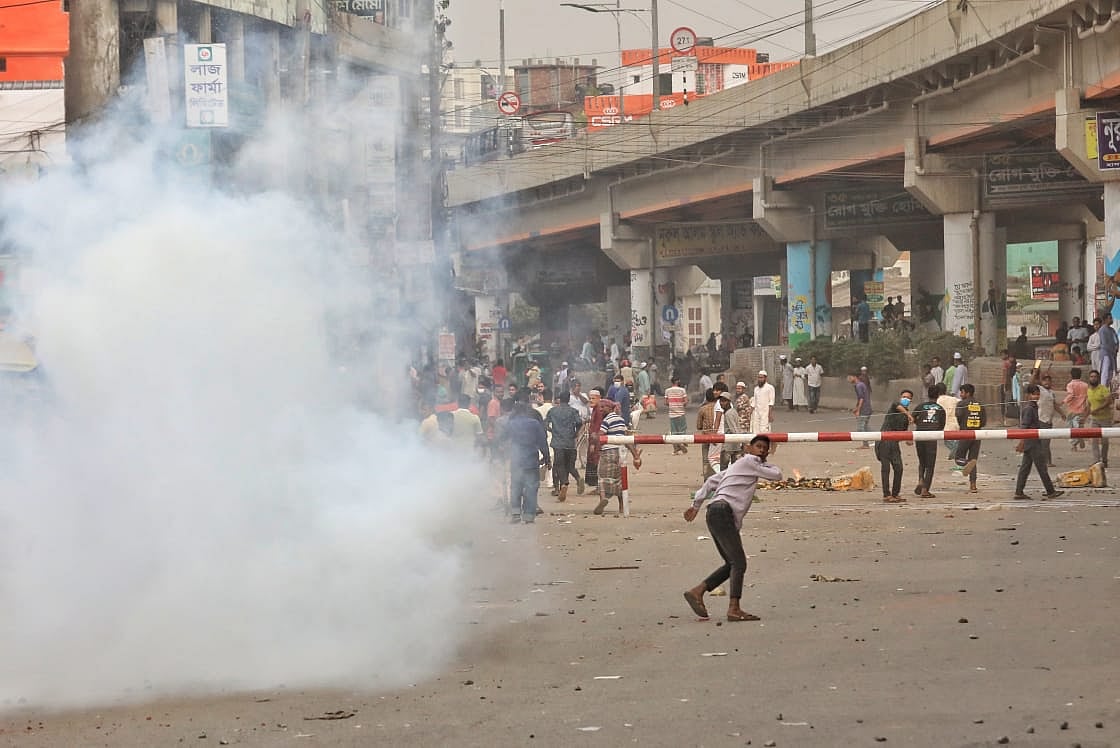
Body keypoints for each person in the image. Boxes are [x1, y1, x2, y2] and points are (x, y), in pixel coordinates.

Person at [681, 435, 781, 623]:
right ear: (748, 449)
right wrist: (765, 461)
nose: (761, 450)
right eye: (758, 447)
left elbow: (711, 481)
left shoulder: (735, 468)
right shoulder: (751, 461)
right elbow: (777, 474)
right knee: (739, 563)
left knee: (731, 563)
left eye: (764, 448)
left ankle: (698, 591)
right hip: (723, 512)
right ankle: (734, 609)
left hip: (715, 512)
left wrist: (696, 506)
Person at [1013, 384, 1064, 501]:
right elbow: (1024, 427)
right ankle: (1050, 491)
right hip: (1032, 442)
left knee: (1025, 468)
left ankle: (1019, 492)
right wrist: (1022, 442)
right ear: (1028, 395)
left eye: (1037, 394)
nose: (1036, 396)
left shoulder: (1033, 407)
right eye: (1034, 394)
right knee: (1041, 467)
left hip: (1032, 441)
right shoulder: (1029, 409)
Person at [593, 399, 642, 516]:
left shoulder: (607, 420)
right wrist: (635, 455)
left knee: (602, 477)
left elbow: (600, 435)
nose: (600, 409)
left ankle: (603, 499)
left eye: (603, 407)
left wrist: (594, 436)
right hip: (621, 453)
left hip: (608, 452)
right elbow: (626, 438)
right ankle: (621, 506)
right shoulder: (621, 420)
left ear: (610, 408)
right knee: (620, 479)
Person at [504, 401, 551, 523]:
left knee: (516, 486)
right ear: (526, 411)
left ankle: (515, 514)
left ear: (515, 411)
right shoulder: (534, 424)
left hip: (516, 461)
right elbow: (542, 441)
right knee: (531, 488)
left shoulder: (511, 424)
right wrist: (547, 458)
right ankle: (529, 516)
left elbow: (502, 440)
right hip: (531, 460)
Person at [876, 389, 913, 502]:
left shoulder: (906, 418)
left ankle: (895, 493)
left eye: (908, 398)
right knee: (886, 469)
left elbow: (902, 433)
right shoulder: (895, 407)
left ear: (911, 400)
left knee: (899, 468)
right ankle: (886, 495)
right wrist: (908, 414)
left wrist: (908, 439)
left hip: (894, 444)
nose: (905, 399)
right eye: (904, 397)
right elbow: (897, 405)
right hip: (884, 441)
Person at [546, 390, 583, 501]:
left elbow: (545, 423)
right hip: (570, 442)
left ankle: (563, 484)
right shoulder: (573, 411)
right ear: (569, 399)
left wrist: (552, 431)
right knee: (570, 466)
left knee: (558, 465)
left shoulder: (553, 411)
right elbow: (579, 423)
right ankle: (578, 478)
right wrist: (575, 433)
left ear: (559, 399)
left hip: (558, 442)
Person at [912, 385, 946, 498]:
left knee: (922, 461)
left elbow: (912, 418)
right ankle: (925, 489)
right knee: (930, 465)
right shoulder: (940, 409)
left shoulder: (920, 406)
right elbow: (942, 425)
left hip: (919, 435)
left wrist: (920, 424)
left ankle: (921, 479)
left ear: (928, 394)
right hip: (931, 437)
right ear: (938, 395)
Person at [954, 383, 986, 493]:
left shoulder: (961, 404)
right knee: (973, 459)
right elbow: (983, 421)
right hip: (977, 434)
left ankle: (966, 463)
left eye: (962, 392)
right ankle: (973, 485)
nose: (960, 394)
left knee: (958, 458)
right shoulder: (980, 404)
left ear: (967, 393)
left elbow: (958, 417)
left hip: (965, 433)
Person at [1086, 369, 1114, 468]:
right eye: (1091, 376)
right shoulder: (1089, 390)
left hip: (1105, 418)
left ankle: (1104, 460)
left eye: (1095, 377)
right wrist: (1085, 416)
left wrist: (1098, 409)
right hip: (1094, 419)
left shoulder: (1103, 389)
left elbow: (1109, 401)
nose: (1093, 378)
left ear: (1098, 378)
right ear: (1089, 378)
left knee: (1105, 441)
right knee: (1094, 440)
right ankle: (1096, 461)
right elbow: (1089, 404)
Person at [1063, 367, 1090, 452]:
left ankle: (1074, 444)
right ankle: (1080, 436)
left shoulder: (1070, 385)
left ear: (1071, 375)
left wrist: (1064, 401)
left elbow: (1071, 395)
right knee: (1079, 425)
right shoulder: (1085, 385)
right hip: (1082, 409)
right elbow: (1087, 397)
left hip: (1072, 409)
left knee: (1071, 428)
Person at [696, 387, 719, 479]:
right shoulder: (720, 408)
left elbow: (699, 426)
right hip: (718, 437)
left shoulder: (702, 409)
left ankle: (707, 479)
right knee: (717, 459)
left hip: (706, 437)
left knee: (706, 460)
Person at [665, 376, 690, 455]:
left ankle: (676, 449)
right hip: (681, 413)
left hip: (672, 414)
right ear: (677, 381)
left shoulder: (667, 391)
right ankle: (681, 443)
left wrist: (672, 405)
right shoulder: (682, 390)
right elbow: (685, 402)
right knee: (682, 430)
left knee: (674, 432)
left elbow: (666, 402)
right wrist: (681, 404)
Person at [935, 382, 959, 463]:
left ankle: (957, 454)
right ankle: (957, 454)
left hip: (946, 425)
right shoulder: (953, 399)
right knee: (953, 441)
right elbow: (961, 403)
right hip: (956, 423)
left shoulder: (938, 401)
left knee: (948, 442)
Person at [749, 369, 776, 438]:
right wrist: (750, 412)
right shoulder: (756, 389)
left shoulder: (770, 388)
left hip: (765, 413)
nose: (759, 379)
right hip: (756, 413)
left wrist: (770, 414)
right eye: (758, 377)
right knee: (756, 431)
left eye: (761, 378)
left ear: (765, 378)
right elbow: (754, 401)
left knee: (764, 431)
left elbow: (771, 402)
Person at [849, 371, 873, 448]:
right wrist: (856, 408)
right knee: (865, 426)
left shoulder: (858, 386)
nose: (849, 379)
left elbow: (861, 398)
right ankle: (879, 437)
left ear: (855, 377)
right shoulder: (862, 384)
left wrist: (858, 410)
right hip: (867, 408)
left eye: (850, 377)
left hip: (864, 409)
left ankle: (866, 444)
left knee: (861, 428)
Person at [1100, 314, 1119, 386]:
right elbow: (1104, 344)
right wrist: (1112, 350)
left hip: (1113, 354)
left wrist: (1117, 347)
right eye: (1110, 318)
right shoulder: (1102, 330)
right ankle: (1103, 388)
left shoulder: (1112, 330)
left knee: (1111, 372)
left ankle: (1108, 389)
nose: (1111, 320)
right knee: (1105, 372)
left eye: (1111, 318)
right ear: (1105, 320)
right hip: (1106, 354)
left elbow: (1116, 340)